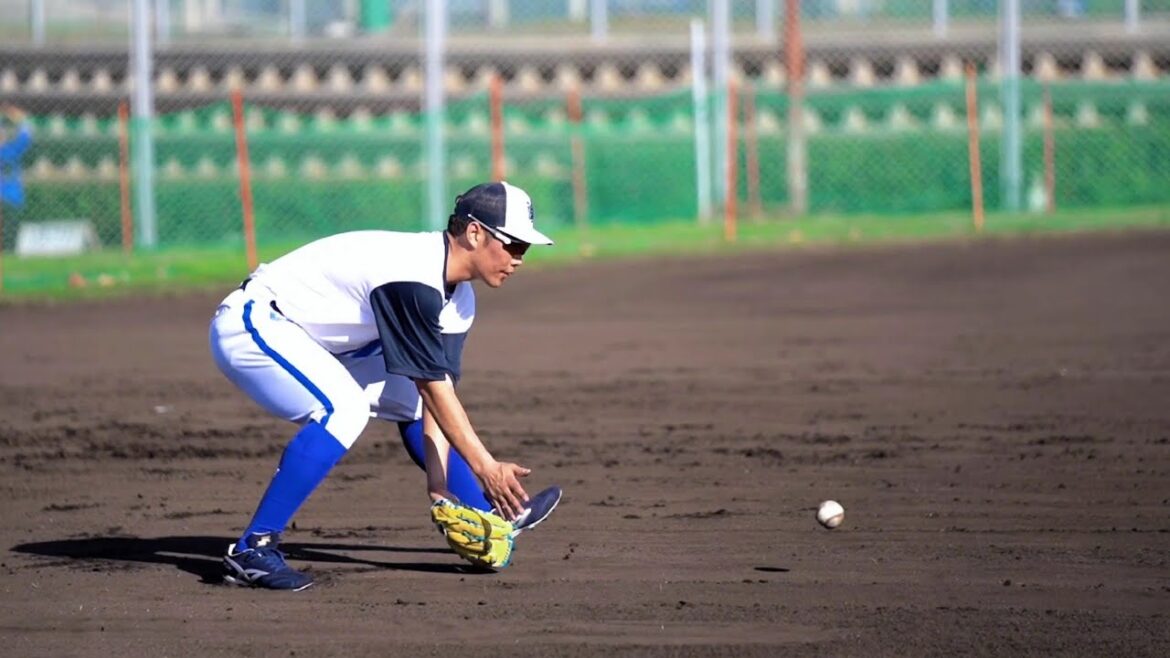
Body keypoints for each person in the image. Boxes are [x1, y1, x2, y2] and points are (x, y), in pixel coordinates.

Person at [209, 181, 562, 590]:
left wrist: (438, 488)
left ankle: (493, 515)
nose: (519, 258)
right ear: (474, 233)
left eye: (525, 248)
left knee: (411, 400)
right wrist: (486, 467)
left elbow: (435, 397)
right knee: (344, 409)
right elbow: (433, 386)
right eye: (514, 244)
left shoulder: (460, 300)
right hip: (254, 325)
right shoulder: (412, 275)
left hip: (313, 342)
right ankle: (252, 549)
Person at [0, 104, 33, 209]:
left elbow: (26, 134)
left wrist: (19, 118)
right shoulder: (12, 149)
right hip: (11, 197)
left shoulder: (12, 149)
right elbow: (26, 133)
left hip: (11, 197)